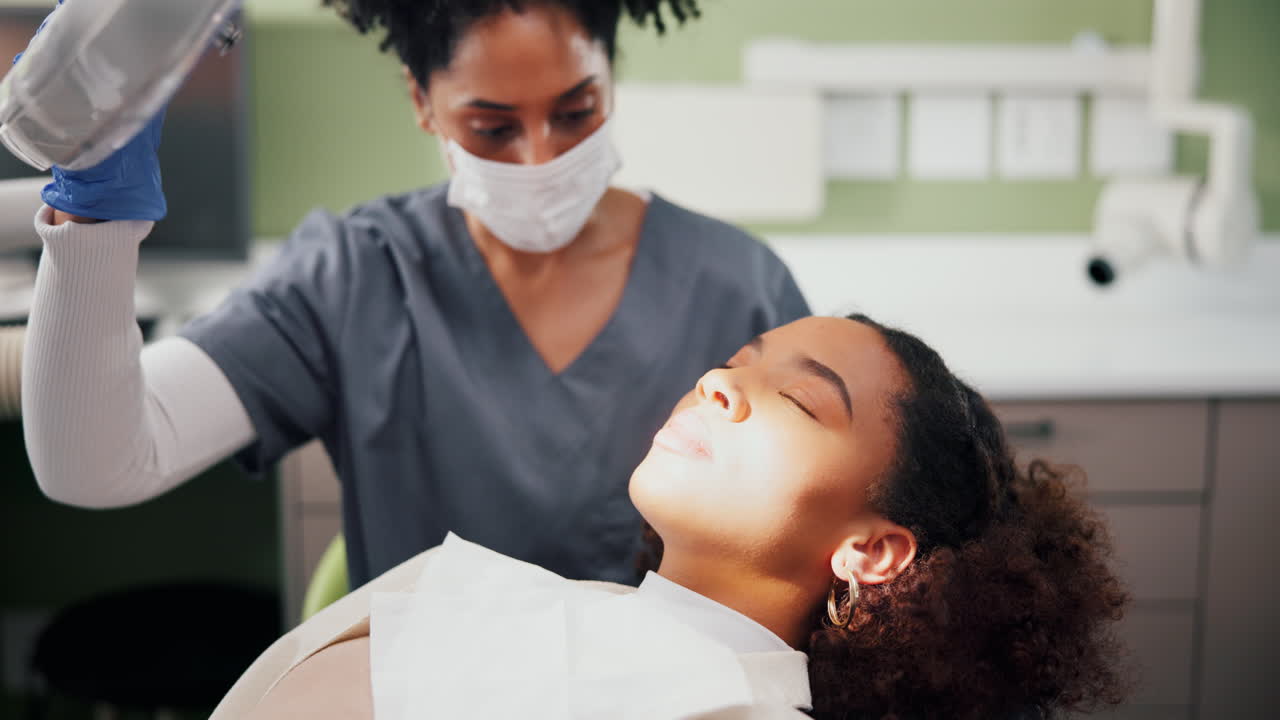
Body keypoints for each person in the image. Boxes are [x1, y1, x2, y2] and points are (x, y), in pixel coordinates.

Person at [21, 0, 809, 588]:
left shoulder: (737, 286)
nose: (541, 158)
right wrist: (96, 217)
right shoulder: (355, 275)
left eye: (575, 113)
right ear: (421, 101)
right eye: (493, 127)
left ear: (610, 79)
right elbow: (95, 465)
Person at [213, 315, 1131, 720]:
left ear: (873, 549)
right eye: (738, 360)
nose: (720, 382)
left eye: (801, 402)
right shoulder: (598, 623)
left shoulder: (722, 706)